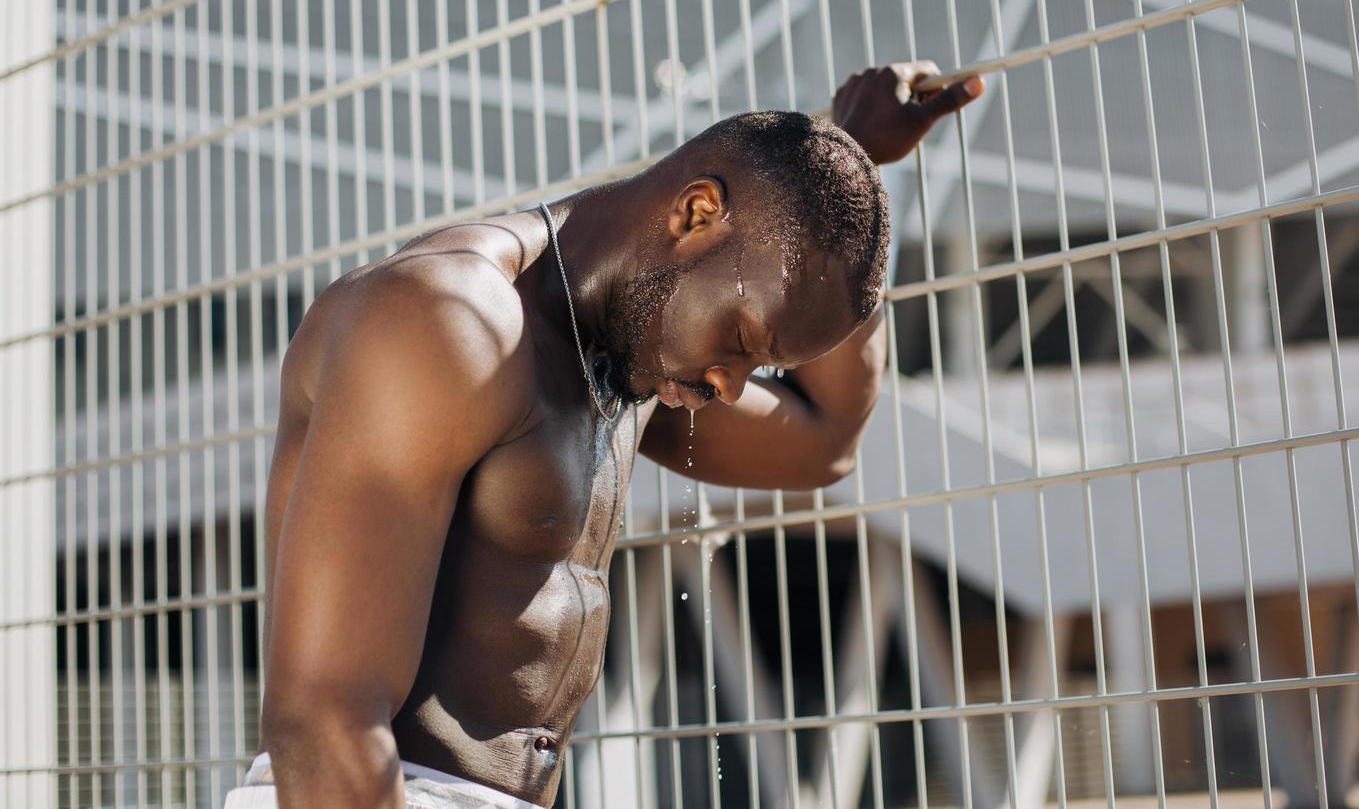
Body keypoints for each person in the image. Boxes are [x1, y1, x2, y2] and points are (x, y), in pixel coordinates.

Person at [225, 62, 984, 808]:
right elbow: (323, 723)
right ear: (695, 214)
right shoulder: (450, 323)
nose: (729, 385)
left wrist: (846, 157)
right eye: (744, 340)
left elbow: (824, 444)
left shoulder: (626, 362)